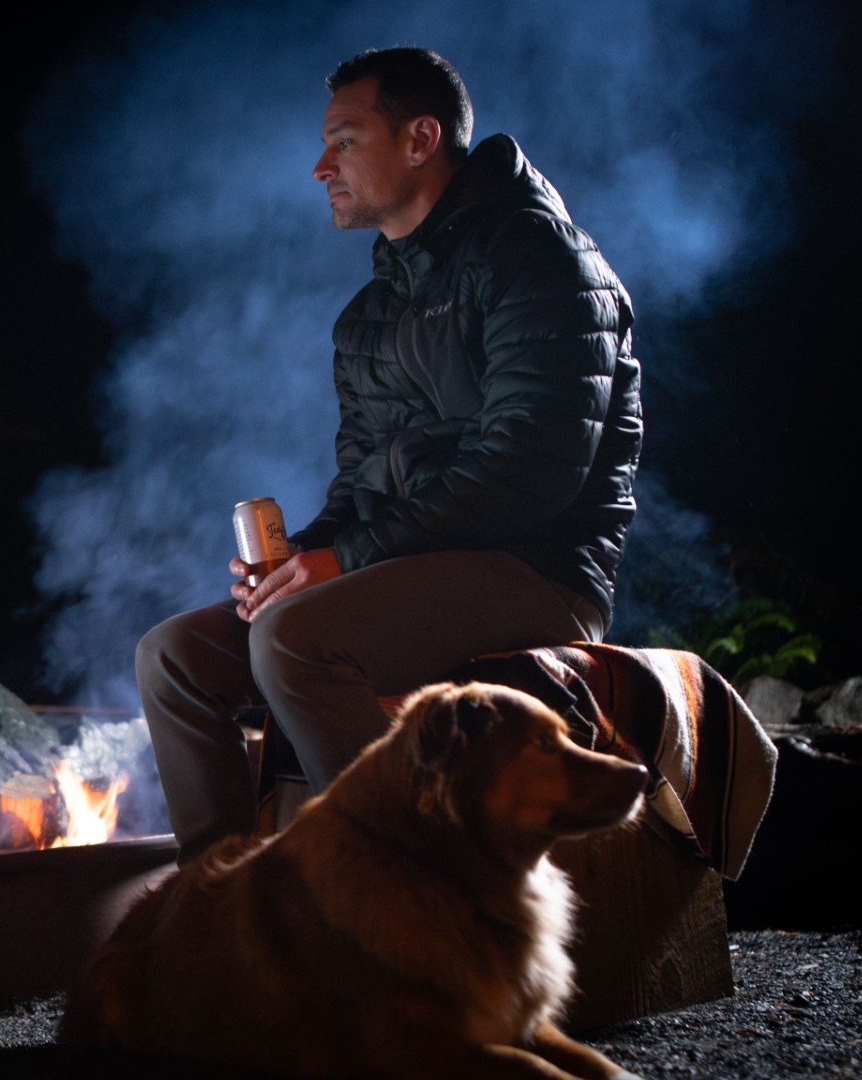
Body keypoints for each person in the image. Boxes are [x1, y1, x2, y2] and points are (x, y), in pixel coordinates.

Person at [136, 47, 642, 864]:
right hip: (404, 566)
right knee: (175, 656)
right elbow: (361, 483)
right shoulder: (369, 313)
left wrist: (349, 560)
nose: (318, 167)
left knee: (295, 640)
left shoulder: (541, 259)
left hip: (537, 566)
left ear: (419, 139)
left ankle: (407, 895)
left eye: (342, 141)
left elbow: (531, 471)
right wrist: (302, 556)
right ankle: (223, 915)